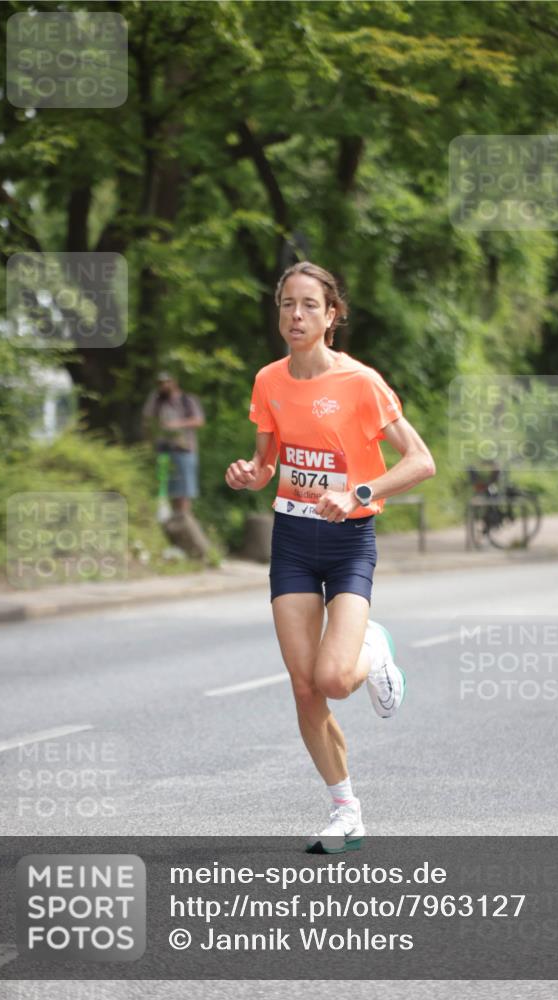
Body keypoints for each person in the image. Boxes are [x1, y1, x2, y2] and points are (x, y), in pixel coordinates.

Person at [225, 261, 436, 853]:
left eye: (310, 305)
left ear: (331, 315)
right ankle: (347, 812)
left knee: (335, 679)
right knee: (303, 687)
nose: (296, 315)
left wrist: (360, 492)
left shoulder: (361, 382)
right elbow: (267, 462)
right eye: (288, 304)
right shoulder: (268, 381)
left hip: (348, 540)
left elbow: (421, 461)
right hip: (291, 538)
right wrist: (249, 475)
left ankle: (372, 646)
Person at [142, 373, 205, 514]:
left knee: (184, 490)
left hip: (184, 450)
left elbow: (199, 420)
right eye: (160, 383)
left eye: (166, 382)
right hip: (164, 450)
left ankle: (183, 519)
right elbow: (147, 419)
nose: (163, 386)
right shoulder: (157, 401)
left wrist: (176, 424)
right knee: (166, 489)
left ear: (174, 382)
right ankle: (170, 522)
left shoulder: (187, 400)